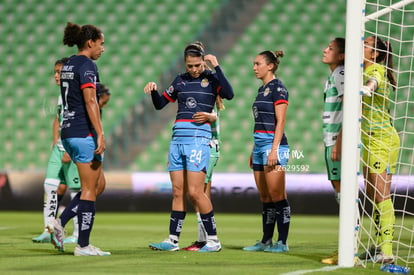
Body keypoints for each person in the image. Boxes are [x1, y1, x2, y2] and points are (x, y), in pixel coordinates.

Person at [144, 41, 234, 252]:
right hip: (177, 139)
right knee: (177, 192)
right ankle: (172, 240)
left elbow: (229, 94)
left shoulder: (212, 79)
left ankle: (213, 240)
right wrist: (153, 91)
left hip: (197, 140)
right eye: (190, 66)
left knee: (195, 192)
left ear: (203, 61)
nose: (193, 70)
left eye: (197, 65)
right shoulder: (180, 80)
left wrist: (217, 67)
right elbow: (160, 104)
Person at [46, 22, 110, 256]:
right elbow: (91, 100)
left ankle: (59, 223)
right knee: (89, 190)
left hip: (69, 131)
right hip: (83, 132)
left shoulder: (69, 64)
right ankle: (83, 245)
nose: (103, 48)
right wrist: (100, 133)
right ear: (90, 42)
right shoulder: (87, 65)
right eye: (101, 44)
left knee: (98, 185)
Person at [243, 50, 290, 253]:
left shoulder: (278, 88)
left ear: (270, 66)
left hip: (274, 146)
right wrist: (255, 150)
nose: (254, 67)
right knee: (265, 197)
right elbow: (261, 123)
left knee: (277, 195)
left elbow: (280, 122)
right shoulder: (262, 90)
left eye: (258, 64)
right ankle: (266, 240)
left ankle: (283, 242)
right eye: (254, 64)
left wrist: (274, 150)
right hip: (260, 146)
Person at [359, 36, 400, 264]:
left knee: (381, 194)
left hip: (381, 140)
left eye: (365, 44)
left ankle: (387, 251)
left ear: (375, 54)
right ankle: (379, 245)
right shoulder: (364, 69)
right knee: (375, 195)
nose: (360, 46)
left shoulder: (375, 69)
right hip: (370, 139)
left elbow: (374, 79)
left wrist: (367, 88)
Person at [32, 57, 81, 245]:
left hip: (72, 148)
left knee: (76, 192)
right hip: (59, 149)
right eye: (55, 72)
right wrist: (55, 141)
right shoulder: (62, 95)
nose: (55, 76)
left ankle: (76, 234)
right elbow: (57, 120)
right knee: (49, 186)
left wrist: (70, 147)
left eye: (59, 72)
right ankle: (49, 229)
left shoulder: (75, 94)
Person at [181, 97, 225, 251]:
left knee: (196, 194)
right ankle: (204, 239)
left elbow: (213, 116)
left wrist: (208, 116)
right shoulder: (207, 97)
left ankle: (206, 240)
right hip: (208, 147)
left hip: (208, 147)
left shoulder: (206, 98)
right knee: (202, 194)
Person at [319, 38, 346, 265]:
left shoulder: (340, 74)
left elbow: (350, 108)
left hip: (337, 140)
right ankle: (348, 246)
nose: (325, 50)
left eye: (330, 48)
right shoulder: (334, 75)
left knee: (343, 194)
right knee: (340, 194)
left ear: (341, 55)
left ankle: (347, 248)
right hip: (333, 139)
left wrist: (339, 143)